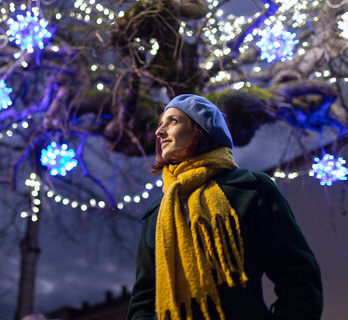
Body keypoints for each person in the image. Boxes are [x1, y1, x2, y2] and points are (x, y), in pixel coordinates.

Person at [127, 94, 323, 320]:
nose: (158, 132)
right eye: (160, 124)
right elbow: (144, 298)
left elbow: (299, 277)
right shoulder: (157, 213)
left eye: (173, 121)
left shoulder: (251, 189)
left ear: (201, 129)